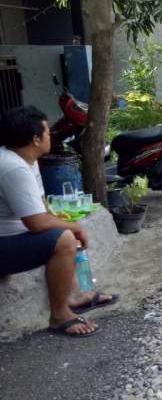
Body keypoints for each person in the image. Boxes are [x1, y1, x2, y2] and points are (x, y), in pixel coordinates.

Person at [0, 106, 118, 337]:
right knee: (63, 238)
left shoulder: (27, 159)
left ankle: (76, 295)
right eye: (46, 132)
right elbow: (36, 223)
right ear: (35, 139)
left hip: (11, 237)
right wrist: (75, 227)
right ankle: (59, 315)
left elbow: (41, 204)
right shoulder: (13, 166)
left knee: (61, 231)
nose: (50, 136)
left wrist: (61, 222)